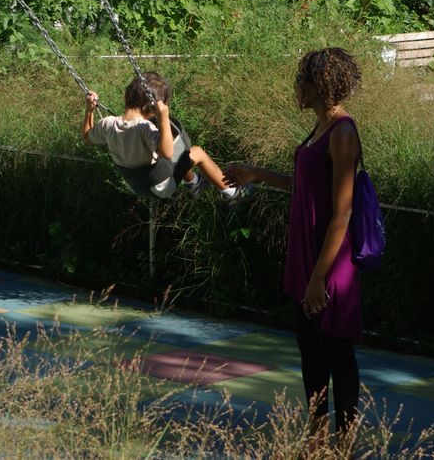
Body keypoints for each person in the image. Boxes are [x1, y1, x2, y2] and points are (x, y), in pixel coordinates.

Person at [224, 47, 363, 443]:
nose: (296, 89)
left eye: (301, 81)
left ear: (319, 85)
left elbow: (341, 212)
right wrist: (259, 175)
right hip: (306, 256)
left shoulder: (343, 132)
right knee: (311, 353)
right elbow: (308, 188)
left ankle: (344, 444)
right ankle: (316, 439)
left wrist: (320, 278)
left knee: (337, 353)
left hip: (329, 261)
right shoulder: (319, 129)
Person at [82, 72, 248, 202]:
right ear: (152, 107)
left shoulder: (107, 124)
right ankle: (233, 193)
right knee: (194, 152)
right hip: (159, 187)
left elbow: (87, 138)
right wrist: (163, 119)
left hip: (135, 186)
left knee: (179, 156)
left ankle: (194, 182)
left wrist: (89, 110)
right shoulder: (144, 128)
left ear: (126, 96)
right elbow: (167, 154)